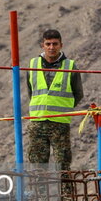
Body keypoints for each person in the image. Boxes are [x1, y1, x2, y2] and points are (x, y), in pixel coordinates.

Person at [26, 29, 84, 173]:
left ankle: (66, 196)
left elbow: (78, 93)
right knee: (37, 167)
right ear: (42, 45)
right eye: (48, 44)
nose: (51, 47)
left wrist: (63, 107)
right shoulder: (32, 65)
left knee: (63, 166)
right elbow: (31, 92)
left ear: (61, 45)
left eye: (55, 44)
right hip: (37, 123)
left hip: (60, 124)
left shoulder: (70, 66)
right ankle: (40, 196)